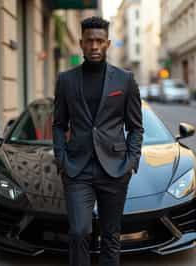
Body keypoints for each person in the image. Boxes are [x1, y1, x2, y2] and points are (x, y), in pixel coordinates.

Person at [52, 16, 143, 266]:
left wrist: (131, 161)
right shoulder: (66, 80)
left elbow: (135, 127)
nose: (94, 46)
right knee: (79, 231)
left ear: (108, 43)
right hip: (77, 168)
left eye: (99, 41)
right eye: (89, 41)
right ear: (81, 43)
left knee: (111, 236)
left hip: (114, 169)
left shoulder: (125, 80)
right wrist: (61, 157)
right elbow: (59, 124)